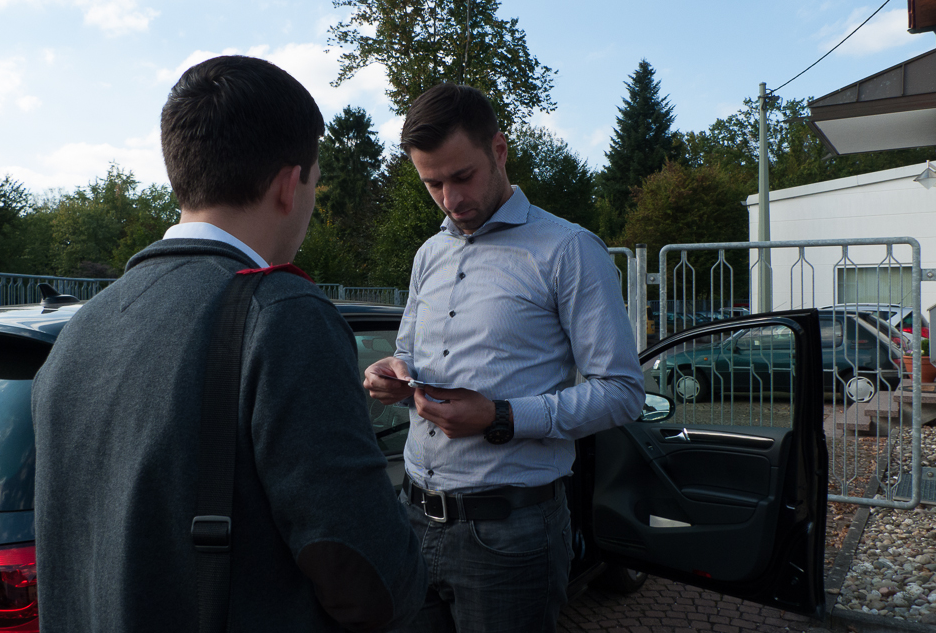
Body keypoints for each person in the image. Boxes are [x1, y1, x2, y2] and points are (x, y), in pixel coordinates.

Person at [32, 55, 425, 632]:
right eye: (315, 183)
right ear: (290, 185)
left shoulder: (82, 327)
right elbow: (369, 577)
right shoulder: (283, 314)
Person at [363, 83, 645, 632]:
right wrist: (390, 372)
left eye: (461, 176)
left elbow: (622, 391)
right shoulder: (429, 254)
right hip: (413, 516)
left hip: (512, 536)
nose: (450, 198)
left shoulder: (568, 250)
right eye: (432, 183)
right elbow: (406, 351)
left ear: (498, 150)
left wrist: (502, 417)